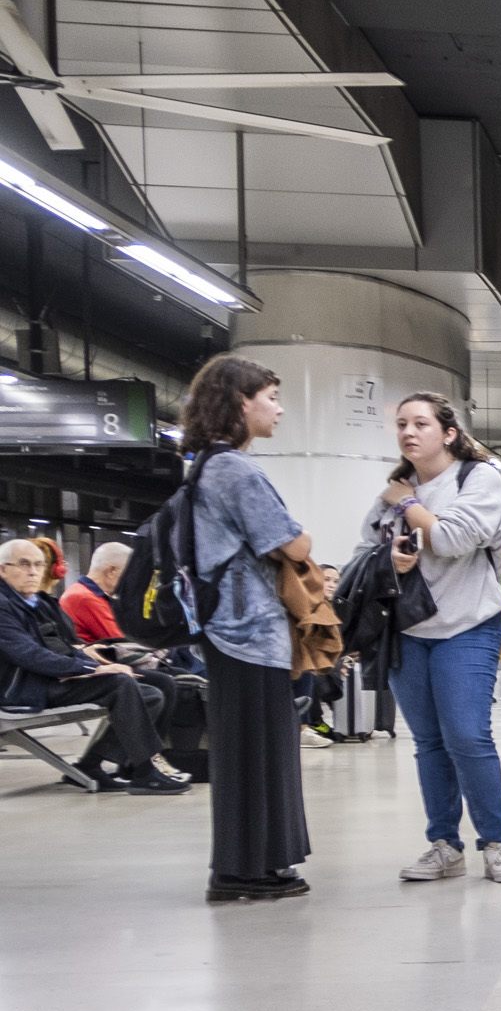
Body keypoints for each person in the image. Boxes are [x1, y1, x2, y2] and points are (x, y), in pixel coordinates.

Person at [366, 391, 501, 883]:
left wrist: (409, 505)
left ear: (449, 433)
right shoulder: (394, 488)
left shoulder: (479, 479)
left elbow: (452, 539)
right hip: (407, 630)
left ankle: (497, 844)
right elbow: (363, 546)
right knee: (429, 742)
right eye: (401, 425)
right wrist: (389, 556)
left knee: (467, 735)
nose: (409, 433)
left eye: (420, 424)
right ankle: (443, 844)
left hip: (468, 626)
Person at [185, 354, 316, 902]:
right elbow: (291, 544)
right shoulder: (234, 470)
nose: (279, 409)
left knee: (249, 752)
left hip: (228, 629)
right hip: (247, 630)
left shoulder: (203, 466)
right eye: (271, 398)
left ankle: (252, 863)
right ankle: (245, 870)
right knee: (258, 753)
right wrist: (302, 536)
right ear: (241, 402)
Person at [0, 536, 187, 793]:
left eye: (38, 564)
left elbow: (66, 645)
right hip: (22, 688)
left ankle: (97, 764)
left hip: (51, 678)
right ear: (3, 569)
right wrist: (92, 669)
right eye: (23, 564)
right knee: (120, 684)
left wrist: (88, 659)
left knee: (156, 688)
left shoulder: (40, 602)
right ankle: (146, 770)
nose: (33, 572)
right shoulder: (4, 606)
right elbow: (27, 654)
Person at [59, 540, 125, 642]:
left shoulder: (81, 592)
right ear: (111, 571)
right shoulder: (85, 598)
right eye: (127, 573)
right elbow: (123, 641)